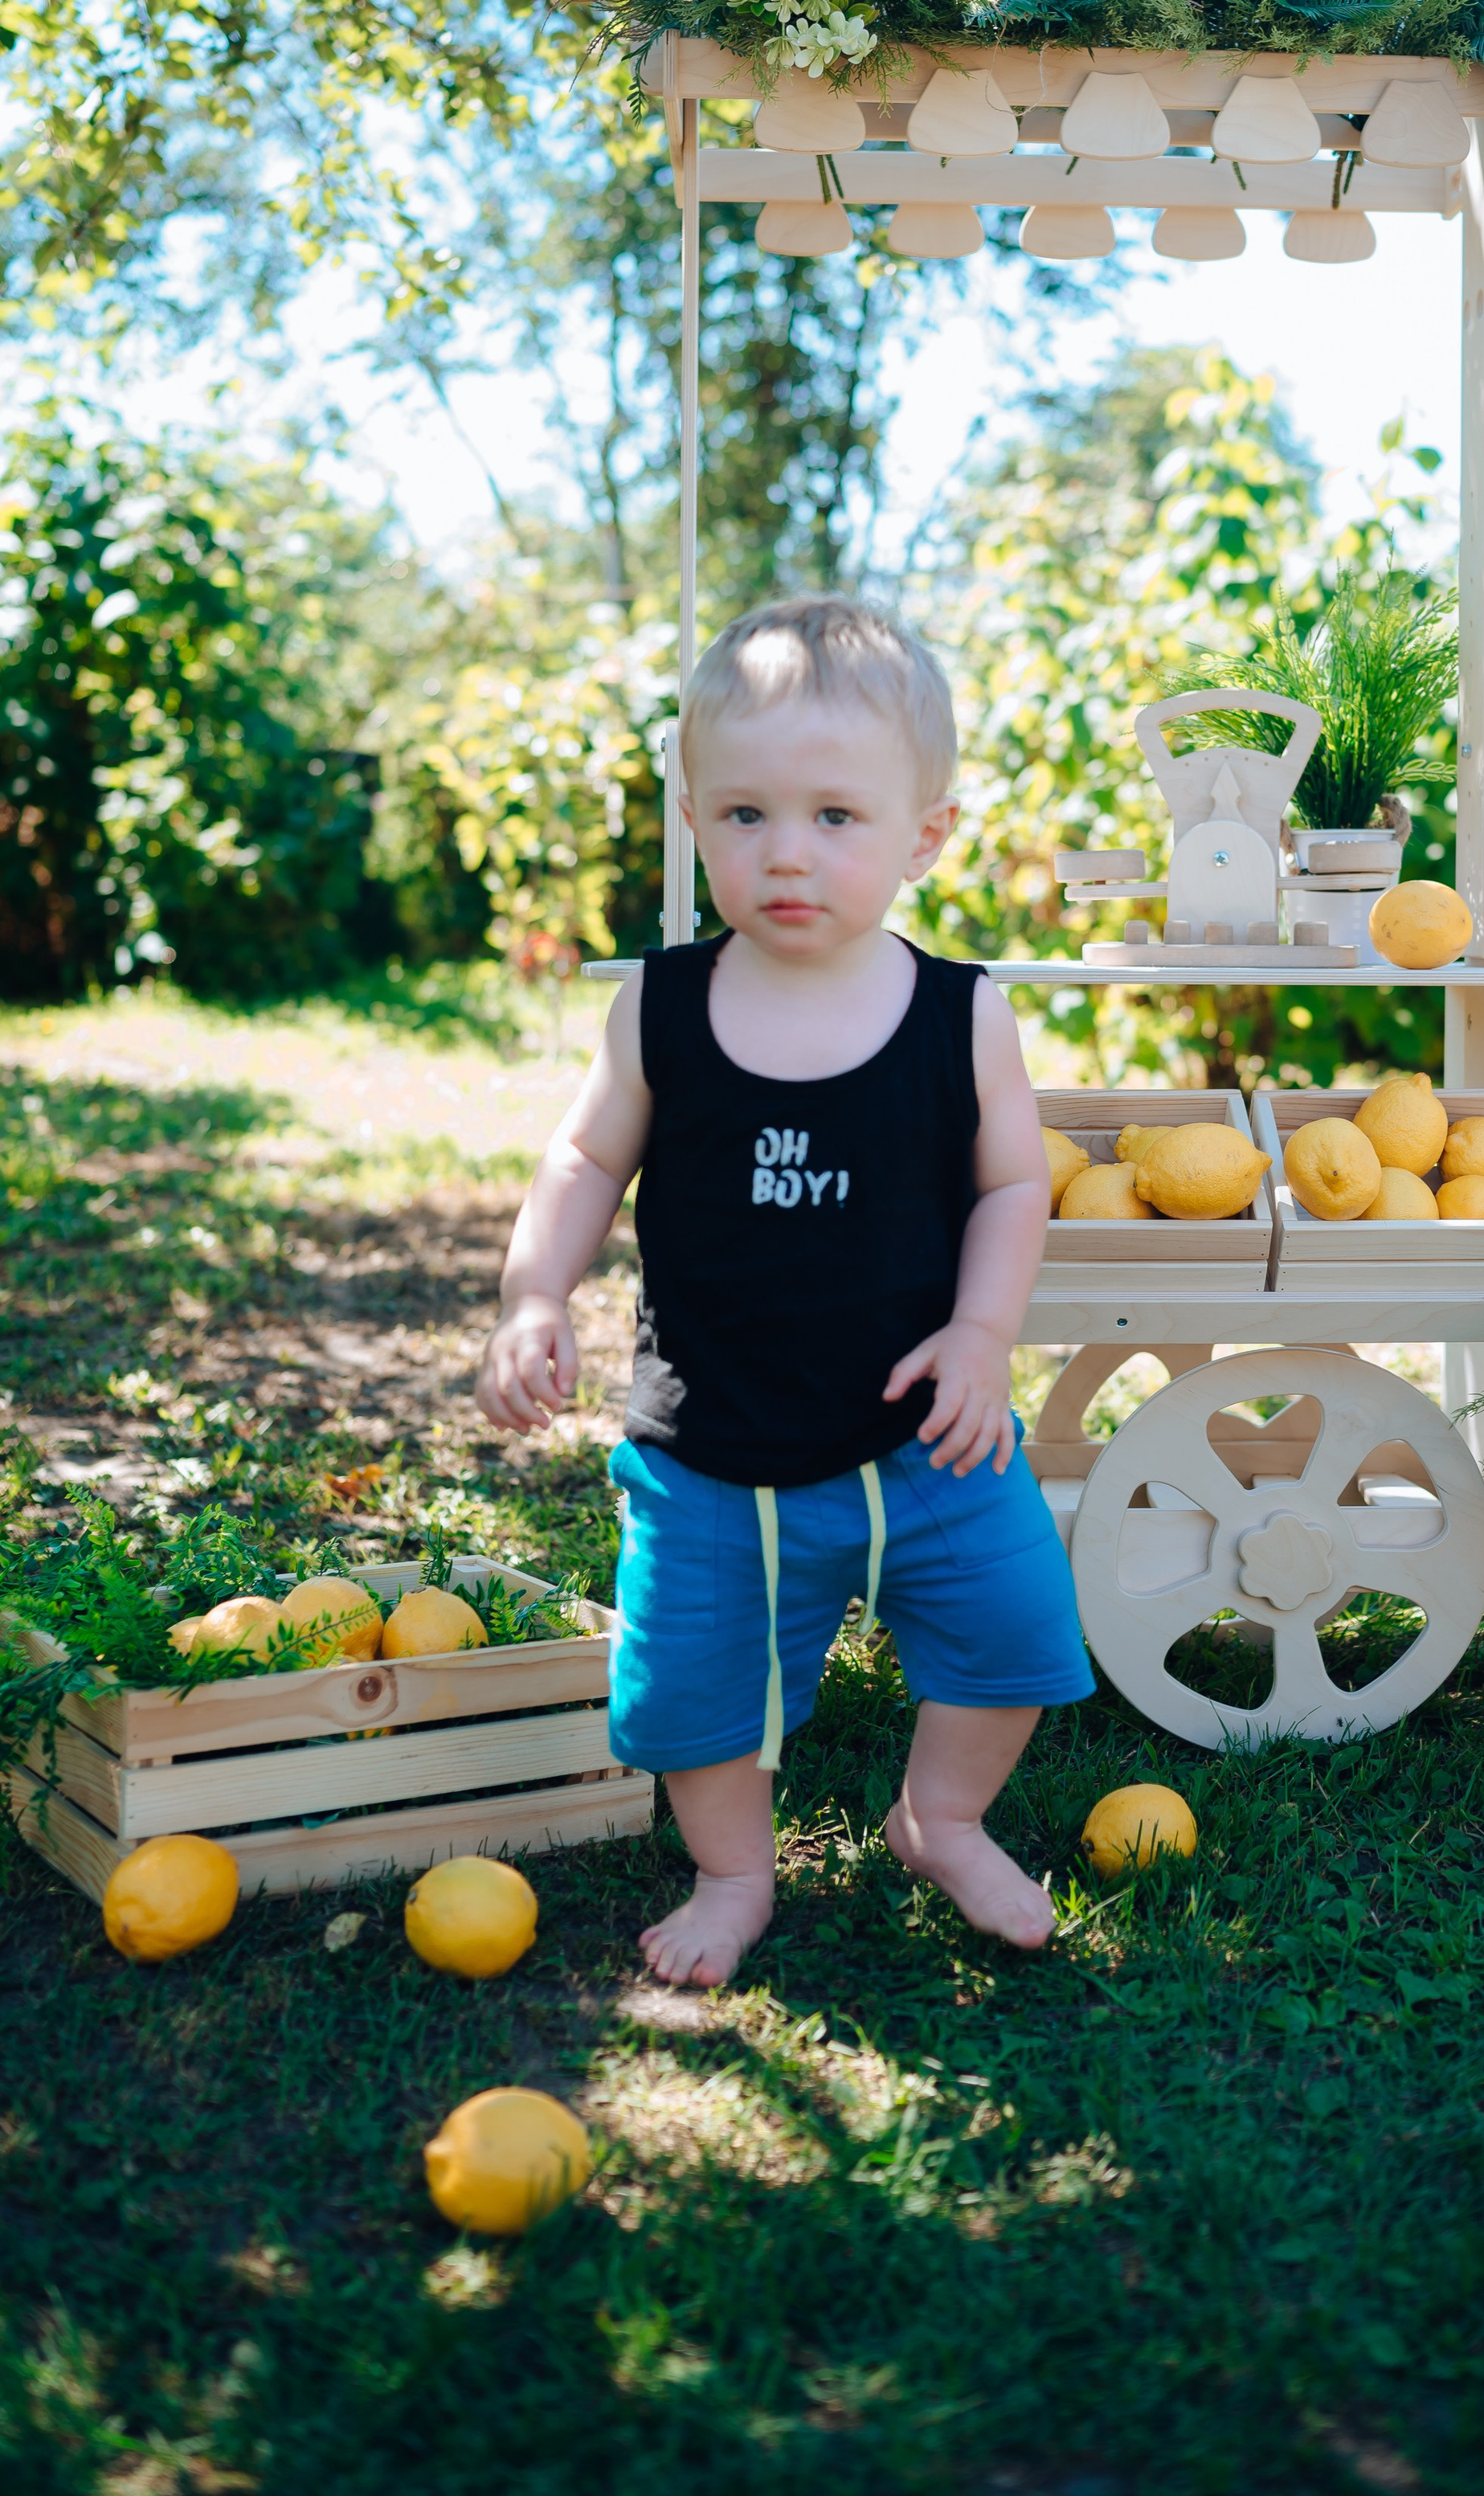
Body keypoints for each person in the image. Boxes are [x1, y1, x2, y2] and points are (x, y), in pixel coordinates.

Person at [477, 594, 1091, 1986]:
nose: (787, 853)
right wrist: (533, 1295)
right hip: (714, 1448)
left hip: (929, 1431)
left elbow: (1012, 1183)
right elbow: (582, 1157)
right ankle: (734, 1872)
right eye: (746, 816)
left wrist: (984, 1332)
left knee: (1014, 1639)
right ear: (695, 819)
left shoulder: (960, 1013)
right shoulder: (663, 1007)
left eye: (835, 816)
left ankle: (940, 1819)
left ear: (924, 835)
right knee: (697, 1694)